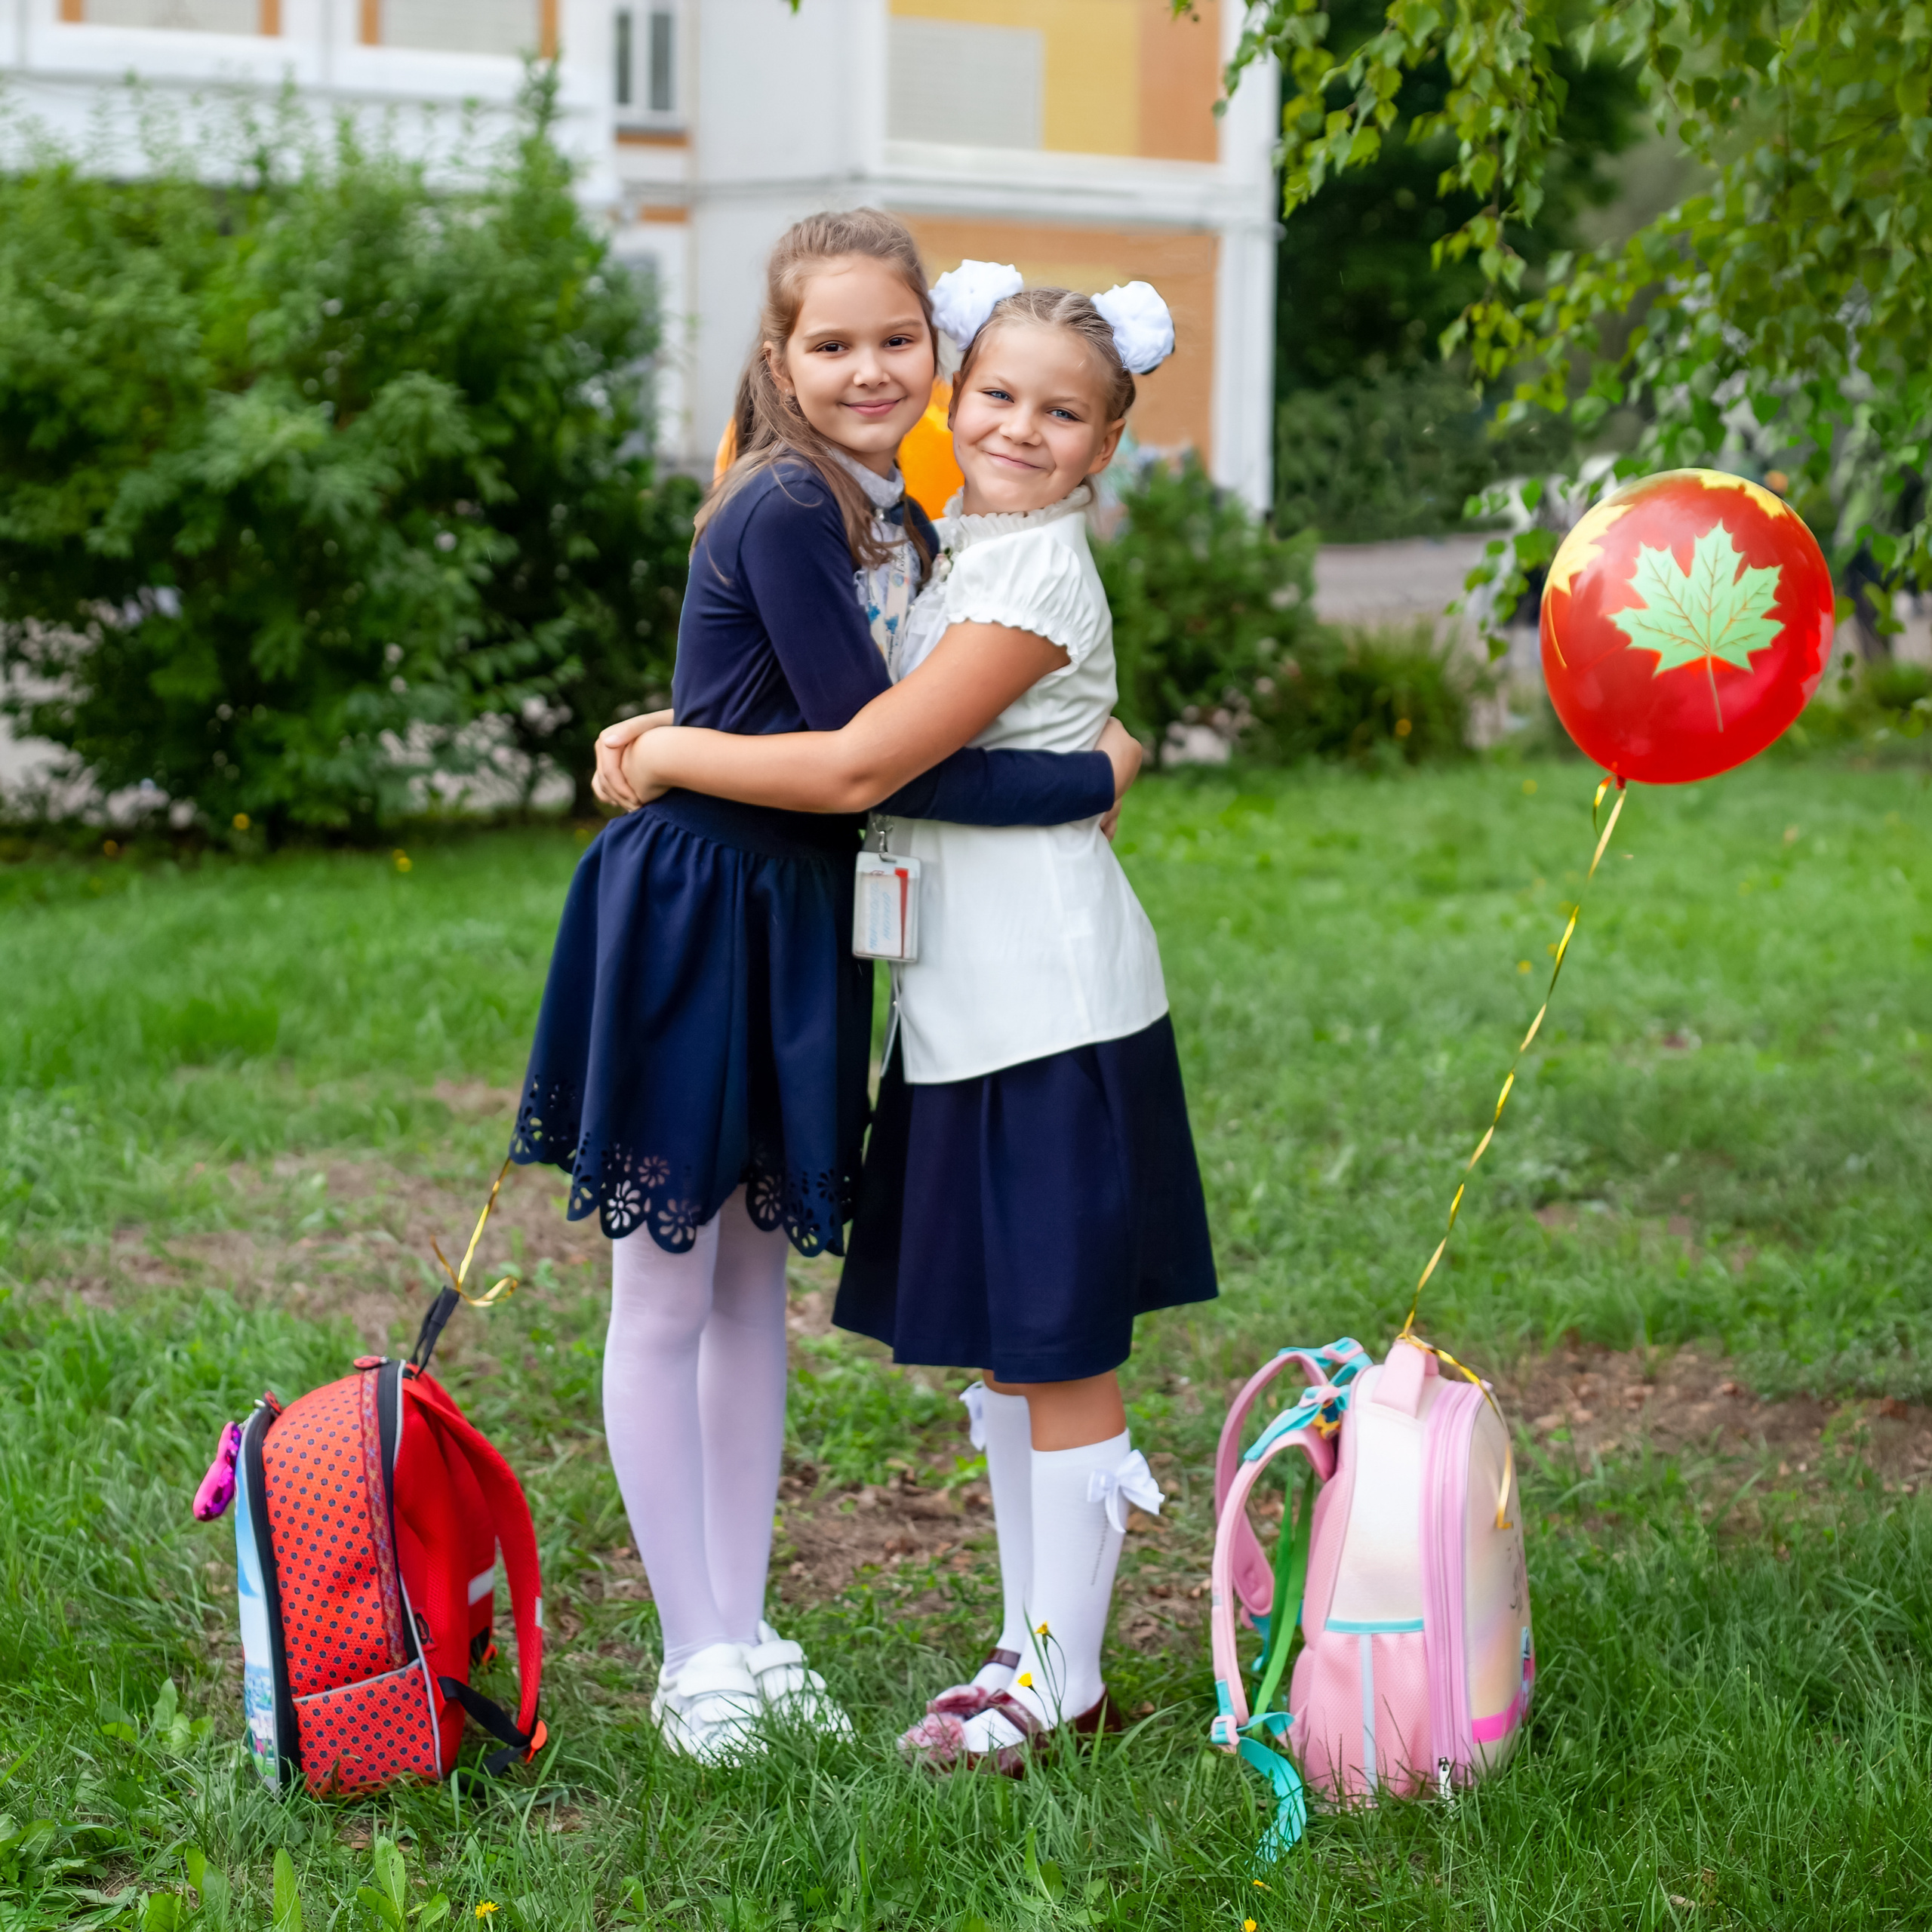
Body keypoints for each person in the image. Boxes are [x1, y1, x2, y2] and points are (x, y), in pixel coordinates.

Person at [512, 212, 1140, 1764]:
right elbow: (876, 759)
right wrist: (1086, 775)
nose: (868, 369)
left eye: (895, 340)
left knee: (747, 1288)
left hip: (796, 921)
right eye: (831, 343)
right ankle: (690, 1646)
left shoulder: (900, 521)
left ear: (936, 348)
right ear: (778, 360)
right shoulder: (787, 505)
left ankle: (747, 1620)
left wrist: (674, 725)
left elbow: (877, 748)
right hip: (697, 911)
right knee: (668, 1285)